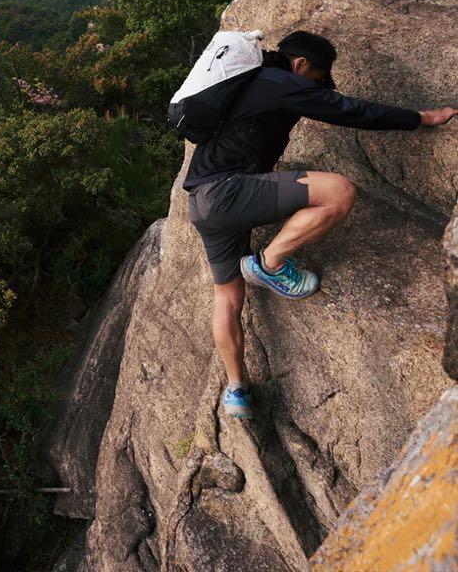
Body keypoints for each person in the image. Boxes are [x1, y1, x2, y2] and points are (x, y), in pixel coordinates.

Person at [182, 30, 457, 421]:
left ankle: (236, 390)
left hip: (202, 202)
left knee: (227, 298)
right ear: (301, 65)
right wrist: (422, 118)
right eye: (318, 79)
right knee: (339, 192)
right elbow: (350, 110)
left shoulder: (248, 83)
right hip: (231, 192)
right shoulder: (280, 82)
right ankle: (270, 263)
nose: (319, 88)